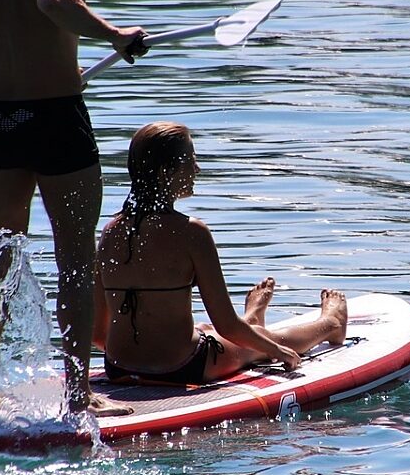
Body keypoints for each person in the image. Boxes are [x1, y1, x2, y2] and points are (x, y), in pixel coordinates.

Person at [0, 0, 146, 416]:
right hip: (53, 119)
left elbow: (15, 38)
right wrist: (116, 35)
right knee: (75, 258)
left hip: (0, 119)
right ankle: (78, 395)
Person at [93, 122, 349, 385]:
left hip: (118, 366)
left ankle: (250, 319)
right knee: (261, 340)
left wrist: (140, 354)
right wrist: (276, 351)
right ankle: (331, 323)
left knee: (204, 329)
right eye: (190, 161)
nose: (197, 168)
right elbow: (226, 325)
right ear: (165, 172)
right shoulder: (192, 233)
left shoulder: (111, 231)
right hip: (182, 367)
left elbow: (97, 334)